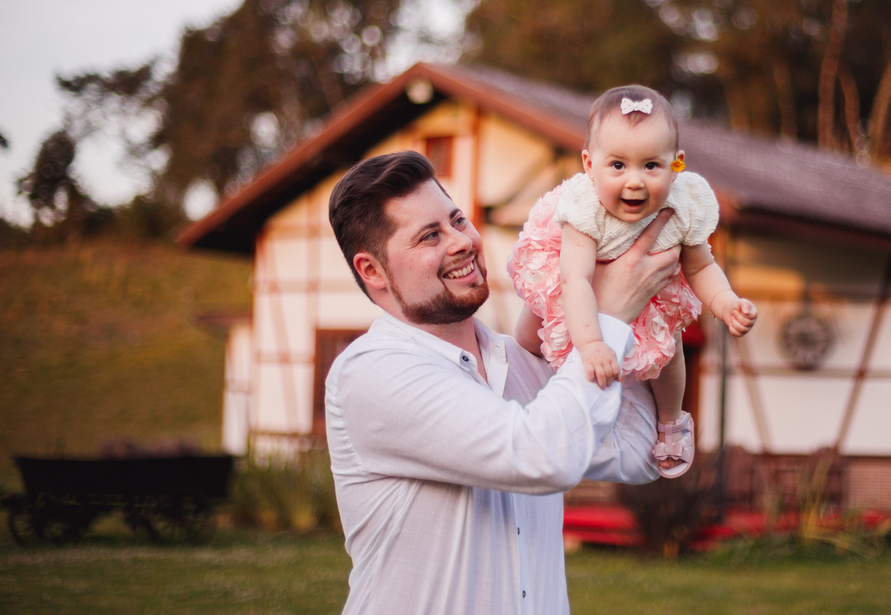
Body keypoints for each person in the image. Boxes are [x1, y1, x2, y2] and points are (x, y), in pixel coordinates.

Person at [324, 150, 680, 615]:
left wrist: (623, 287)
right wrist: (609, 314)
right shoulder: (372, 372)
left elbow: (638, 452)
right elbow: (538, 455)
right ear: (372, 271)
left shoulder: (521, 362)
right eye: (430, 236)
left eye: (457, 220)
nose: (461, 242)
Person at [507, 85, 757, 478]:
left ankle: (671, 421)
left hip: (651, 295)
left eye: (651, 166)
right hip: (576, 284)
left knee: (670, 345)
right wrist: (590, 343)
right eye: (618, 165)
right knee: (530, 331)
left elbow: (701, 266)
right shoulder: (585, 207)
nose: (635, 181)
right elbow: (575, 280)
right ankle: (526, 390)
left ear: (676, 164)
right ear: (590, 164)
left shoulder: (685, 203)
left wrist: (726, 303)